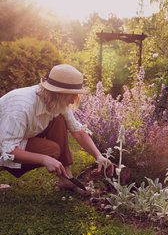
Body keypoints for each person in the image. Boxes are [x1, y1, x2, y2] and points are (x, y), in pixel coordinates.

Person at [0, 64, 113, 193]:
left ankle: (66, 179)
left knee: (59, 120)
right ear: (58, 93)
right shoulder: (21, 106)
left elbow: (78, 132)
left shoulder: (55, 102)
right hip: (3, 144)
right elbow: (8, 151)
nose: (72, 101)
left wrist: (99, 156)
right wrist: (44, 158)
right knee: (51, 150)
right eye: (71, 95)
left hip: (17, 138)